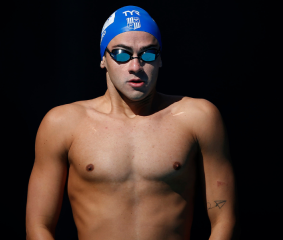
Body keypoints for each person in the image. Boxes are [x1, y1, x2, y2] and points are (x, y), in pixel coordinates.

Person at [26, 5, 237, 240]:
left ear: (160, 60)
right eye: (122, 54)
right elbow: (39, 225)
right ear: (103, 59)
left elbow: (224, 218)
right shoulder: (62, 124)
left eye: (147, 54)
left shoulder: (199, 118)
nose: (135, 66)